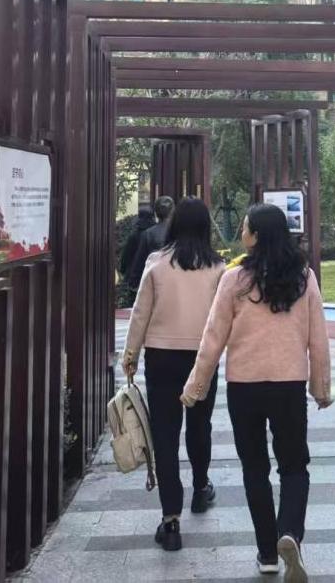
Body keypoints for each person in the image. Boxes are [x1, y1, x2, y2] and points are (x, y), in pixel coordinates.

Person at [181, 204, 331, 580]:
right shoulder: (304, 276)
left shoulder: (234, 279)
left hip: (244, 387)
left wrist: (195, 386)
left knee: (255, 468)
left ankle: (267, 553)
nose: (242, 232)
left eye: (246, 227)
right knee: (294, 465)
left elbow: (213, 337)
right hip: (289, 385)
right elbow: (318, 337)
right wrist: (320, 387)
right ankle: (289, 532)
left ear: (257, 235)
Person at [120, 197, 226, 552]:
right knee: (199, 425)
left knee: (164, 435)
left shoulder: (157, 263)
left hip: (161, 358)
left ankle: (170, 520)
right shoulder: (218, 268)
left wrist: (131, 354)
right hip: (202, 358)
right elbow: (223, 318)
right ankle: (201, 488)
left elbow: (140, 312)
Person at [126, 195, 175, 289]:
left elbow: (140, 261)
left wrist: (133, 282)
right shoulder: (180, 232)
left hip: (155, 282)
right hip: (175, 283)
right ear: (173, 211)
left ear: (156, 213)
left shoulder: (148, 234)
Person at [119, 203, 154, 280]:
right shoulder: (155, 235)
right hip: (152, 273)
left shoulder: (134, 236)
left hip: (135, 275)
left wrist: (123, 270)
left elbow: (126, 256)